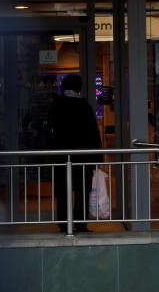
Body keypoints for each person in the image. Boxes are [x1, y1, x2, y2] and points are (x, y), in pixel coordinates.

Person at [47, 74, 102, 233]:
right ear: (79, 87)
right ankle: (81, 224)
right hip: (82, 157)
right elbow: (94, 134)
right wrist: (97, 158)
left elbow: (49, 133)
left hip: (60, 157)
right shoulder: (85, 107)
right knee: (82, 191)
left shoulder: (55, 107)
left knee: (62, 192)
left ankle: (64, 224)